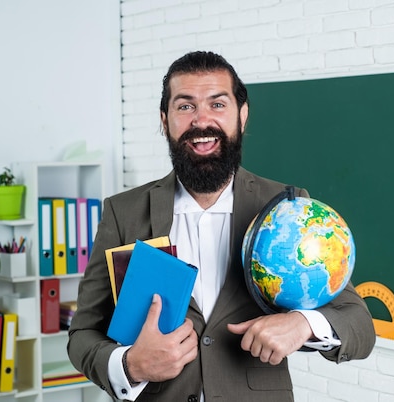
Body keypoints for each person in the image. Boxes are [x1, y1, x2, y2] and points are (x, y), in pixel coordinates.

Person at [67, 51, 375, 402]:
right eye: (185, 106)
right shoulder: (124, 212)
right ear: (164, 120)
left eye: (217, 104)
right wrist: (130, 365)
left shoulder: (287, 209)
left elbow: (358, 324)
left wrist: (304, 323)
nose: (201, 121)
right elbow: (83, 334)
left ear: (242, 117)